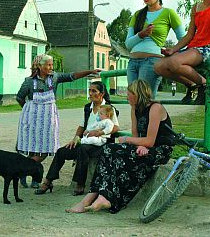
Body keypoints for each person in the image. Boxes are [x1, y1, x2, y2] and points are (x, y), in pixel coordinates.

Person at [66, 79, 175, 214]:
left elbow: (151, 140)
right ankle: (93, 197)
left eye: (129, 94)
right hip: (144, 146)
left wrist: (127, 139)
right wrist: (139, 144)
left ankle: (105, 198)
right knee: (108, 149)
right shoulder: (135, 109)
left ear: (137, 94)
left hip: (160, 149)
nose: (127, 97)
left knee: (119, 156)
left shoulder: (155, 108)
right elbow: (137, 136)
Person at [16, 54, 101, 188]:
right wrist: (30, 111)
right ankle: (32, 176)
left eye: (51, 64)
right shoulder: (29, 82)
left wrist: (90, 72)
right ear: (40, 66)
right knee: (32, 149)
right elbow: (20, 97)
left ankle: (22, 170)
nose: (51, 67)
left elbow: (72, 76)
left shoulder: (54, 77)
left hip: (49, 119)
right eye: (48, 65)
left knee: (45, 150)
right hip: (32, 119)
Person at [34, 81, 119, 195]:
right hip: (85, 141)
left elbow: (116, 127)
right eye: (90, 90)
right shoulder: (88, 107)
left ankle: (80, 183)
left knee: (82, 149)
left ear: (102, 94)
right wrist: (75, 139)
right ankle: (48, 181)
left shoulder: (109, 108)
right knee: (61, 152)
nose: (91, 93)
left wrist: (99, 132)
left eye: (94, 91)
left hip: (100, 144)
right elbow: (82, 126)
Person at [125, 0, 185, 98]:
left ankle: (158, 116)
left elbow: (183, 38)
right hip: (132, 62)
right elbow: (128, 44)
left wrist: (173, 51)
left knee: (145, 100)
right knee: (133, 100)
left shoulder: (168, 13)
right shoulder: (137, 15)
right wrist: (141, 34)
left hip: (151, 61)